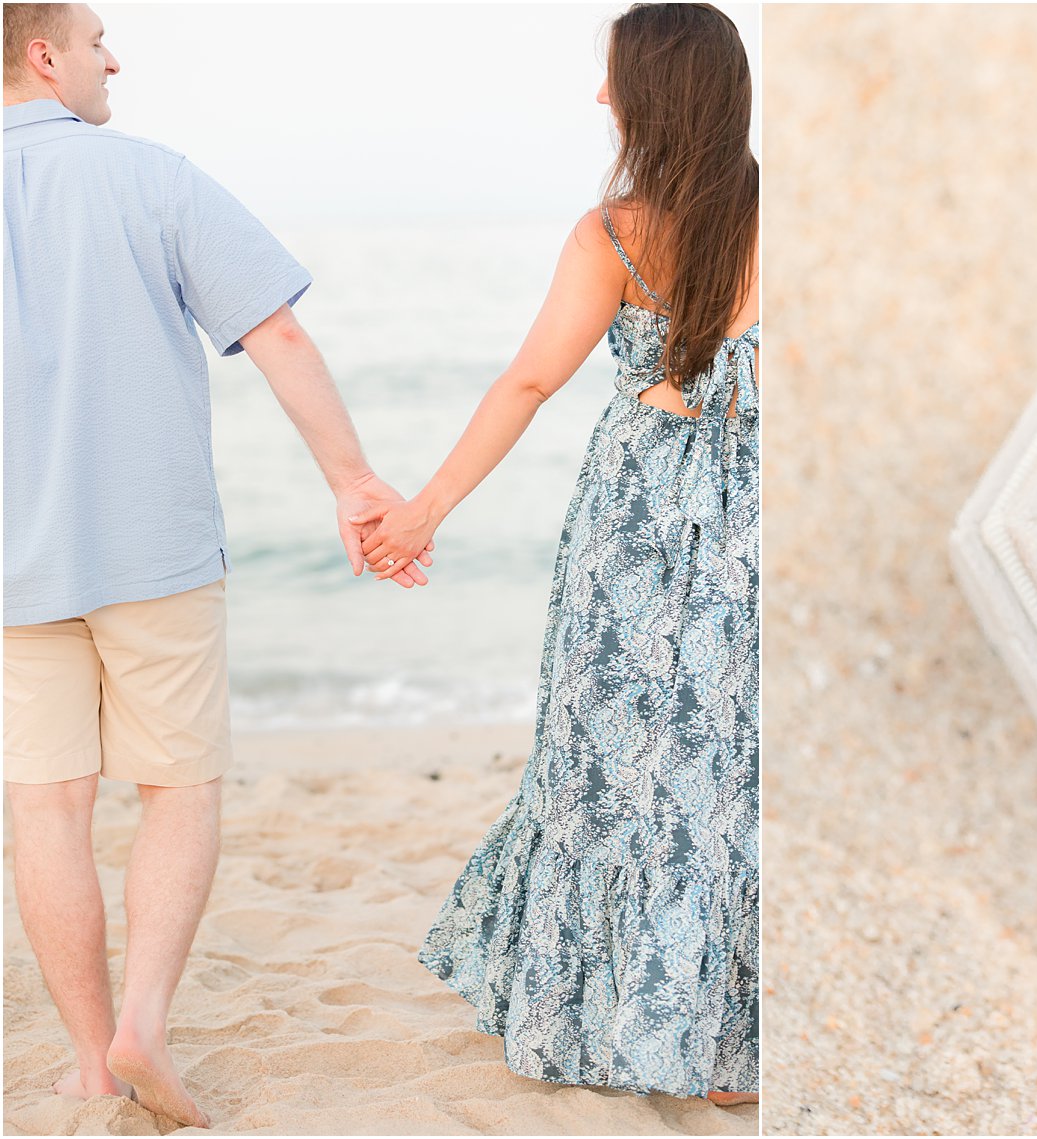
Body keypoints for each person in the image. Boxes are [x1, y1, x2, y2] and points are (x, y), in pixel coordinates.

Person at [2, 4, 430, 1128]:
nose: (115, 58)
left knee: (42, 802)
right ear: (44, 54)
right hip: (154, 547)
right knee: (178, 784)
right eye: (98, 40)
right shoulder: (152, 176)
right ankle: (144, 1015)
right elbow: (277, 334)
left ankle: (93, 1062)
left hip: (10, 560)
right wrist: (352, 480)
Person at [357, 2, 759, 1103]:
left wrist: (423, 509)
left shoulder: (618, 232)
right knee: (737, 762)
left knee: (612, 762)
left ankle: (628, 1019)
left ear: (655, 97)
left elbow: (528, 381)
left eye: (613, 81)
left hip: (636, 524)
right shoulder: (802, 214)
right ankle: (743, 1041)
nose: (600, 99)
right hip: (766, 520)